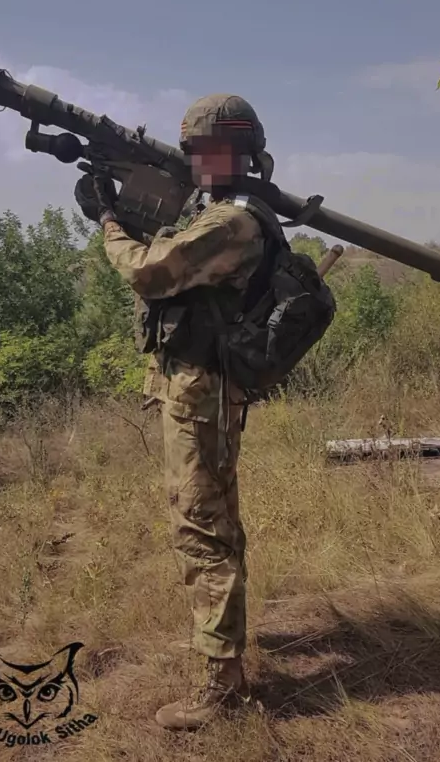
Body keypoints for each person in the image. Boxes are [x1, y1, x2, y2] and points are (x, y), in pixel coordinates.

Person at [74, 94, 277, 730]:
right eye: (195, 150)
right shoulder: (216, 212)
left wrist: (108, 220)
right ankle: (224, 654)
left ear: (242, 153)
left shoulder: (232, 222)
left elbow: (150, 272)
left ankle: (222, 689)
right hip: (196, 389)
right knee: (214, 526)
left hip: (202, 394)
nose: (200, 161)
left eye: (212, 150)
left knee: (202, 532)